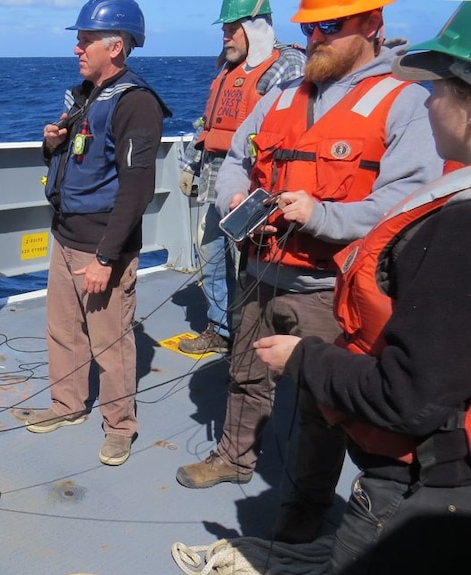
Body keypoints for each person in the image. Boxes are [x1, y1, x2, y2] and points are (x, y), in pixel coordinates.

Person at [175, 0, 444, 543]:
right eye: (310, 26)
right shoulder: (279, 95)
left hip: (329, 287)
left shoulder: (405, 102)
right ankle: (233, 455)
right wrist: (236, 201)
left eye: (331, 25)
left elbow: (408, 199)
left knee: (322, 404)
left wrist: (322, 216)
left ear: (372, 25)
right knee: (244, 371)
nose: (316, 37)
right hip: (257, 269)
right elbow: (234, 162)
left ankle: (303, 507)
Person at [254, 4, 471, 571]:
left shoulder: (456, 230)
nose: (428, 100)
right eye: (308, 27)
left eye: (441, 87)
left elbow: (412, 395)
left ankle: (307, 521)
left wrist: (306, 359)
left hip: (428, 476)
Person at [24, 0, 171, 467]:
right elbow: (77, 159)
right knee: (63, 330)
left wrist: (107, 259)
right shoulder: (85, 94)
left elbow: (137, 187)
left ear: (117, 46)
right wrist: (51, 146)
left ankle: (119, 426)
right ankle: (67, 405)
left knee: (110, 341)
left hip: (103, 247)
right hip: (66, 235)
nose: (78, 48)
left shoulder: (137, 103)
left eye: (87, 40)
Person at [177, 0, 305, 355]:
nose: (225, 36)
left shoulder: (287, 65)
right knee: (211, 256)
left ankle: (255, 338)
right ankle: (221, 328)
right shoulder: (228, 70)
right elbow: (210, 124)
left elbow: (289, 126)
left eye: (232, 29)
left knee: (253, 266)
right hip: (218, 179)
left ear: (255, 29)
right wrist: (191, 164)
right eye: (224, 29)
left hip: (257, 188)